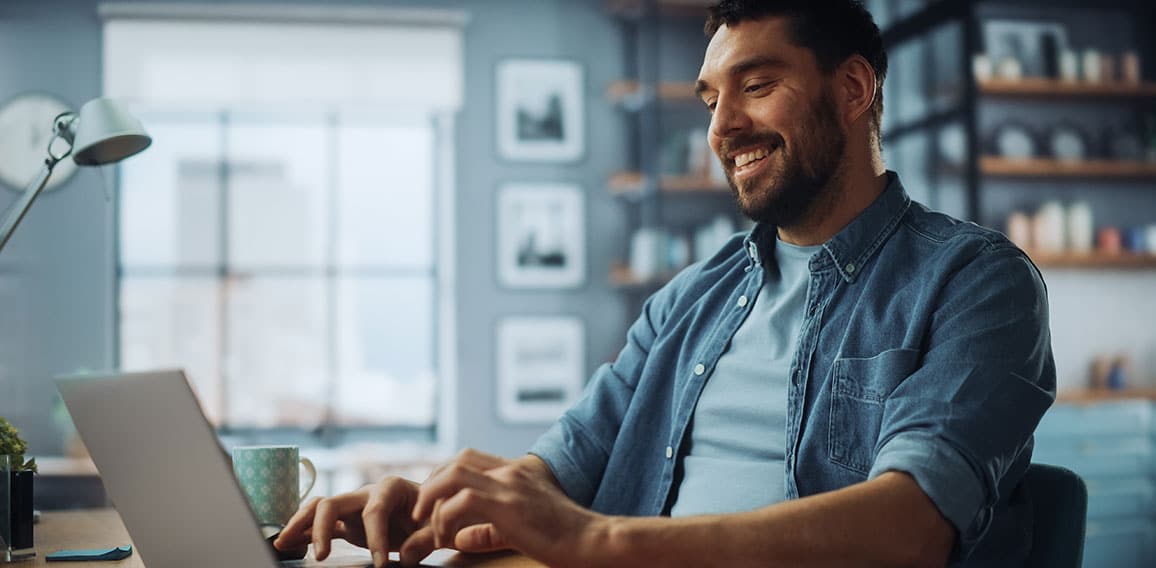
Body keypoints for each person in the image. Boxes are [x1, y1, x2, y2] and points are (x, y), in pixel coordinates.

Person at [275, 1, 1056, 566]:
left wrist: (595, 540)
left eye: (756, 85)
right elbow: (563, 466)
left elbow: (909, 529)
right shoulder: (691, 298)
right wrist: (431, 505)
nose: (721, 130)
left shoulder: (976, 281)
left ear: (853, 91)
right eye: (712, 99)